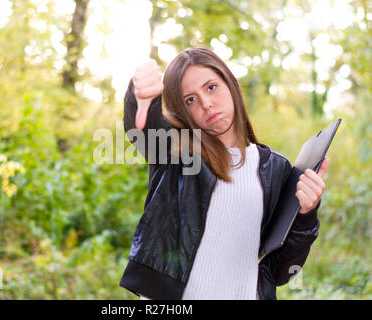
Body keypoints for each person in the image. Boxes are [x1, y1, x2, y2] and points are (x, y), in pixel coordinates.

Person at [119, 46, 329, 300]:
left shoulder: (275, 169)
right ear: (182, 110)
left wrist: (306, 214)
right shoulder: (178, 154)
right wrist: (140, 98)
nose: (206, 104)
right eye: (190, 100)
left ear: (230, 84)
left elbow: (281, 271)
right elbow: (145, 130)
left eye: (211, 87)